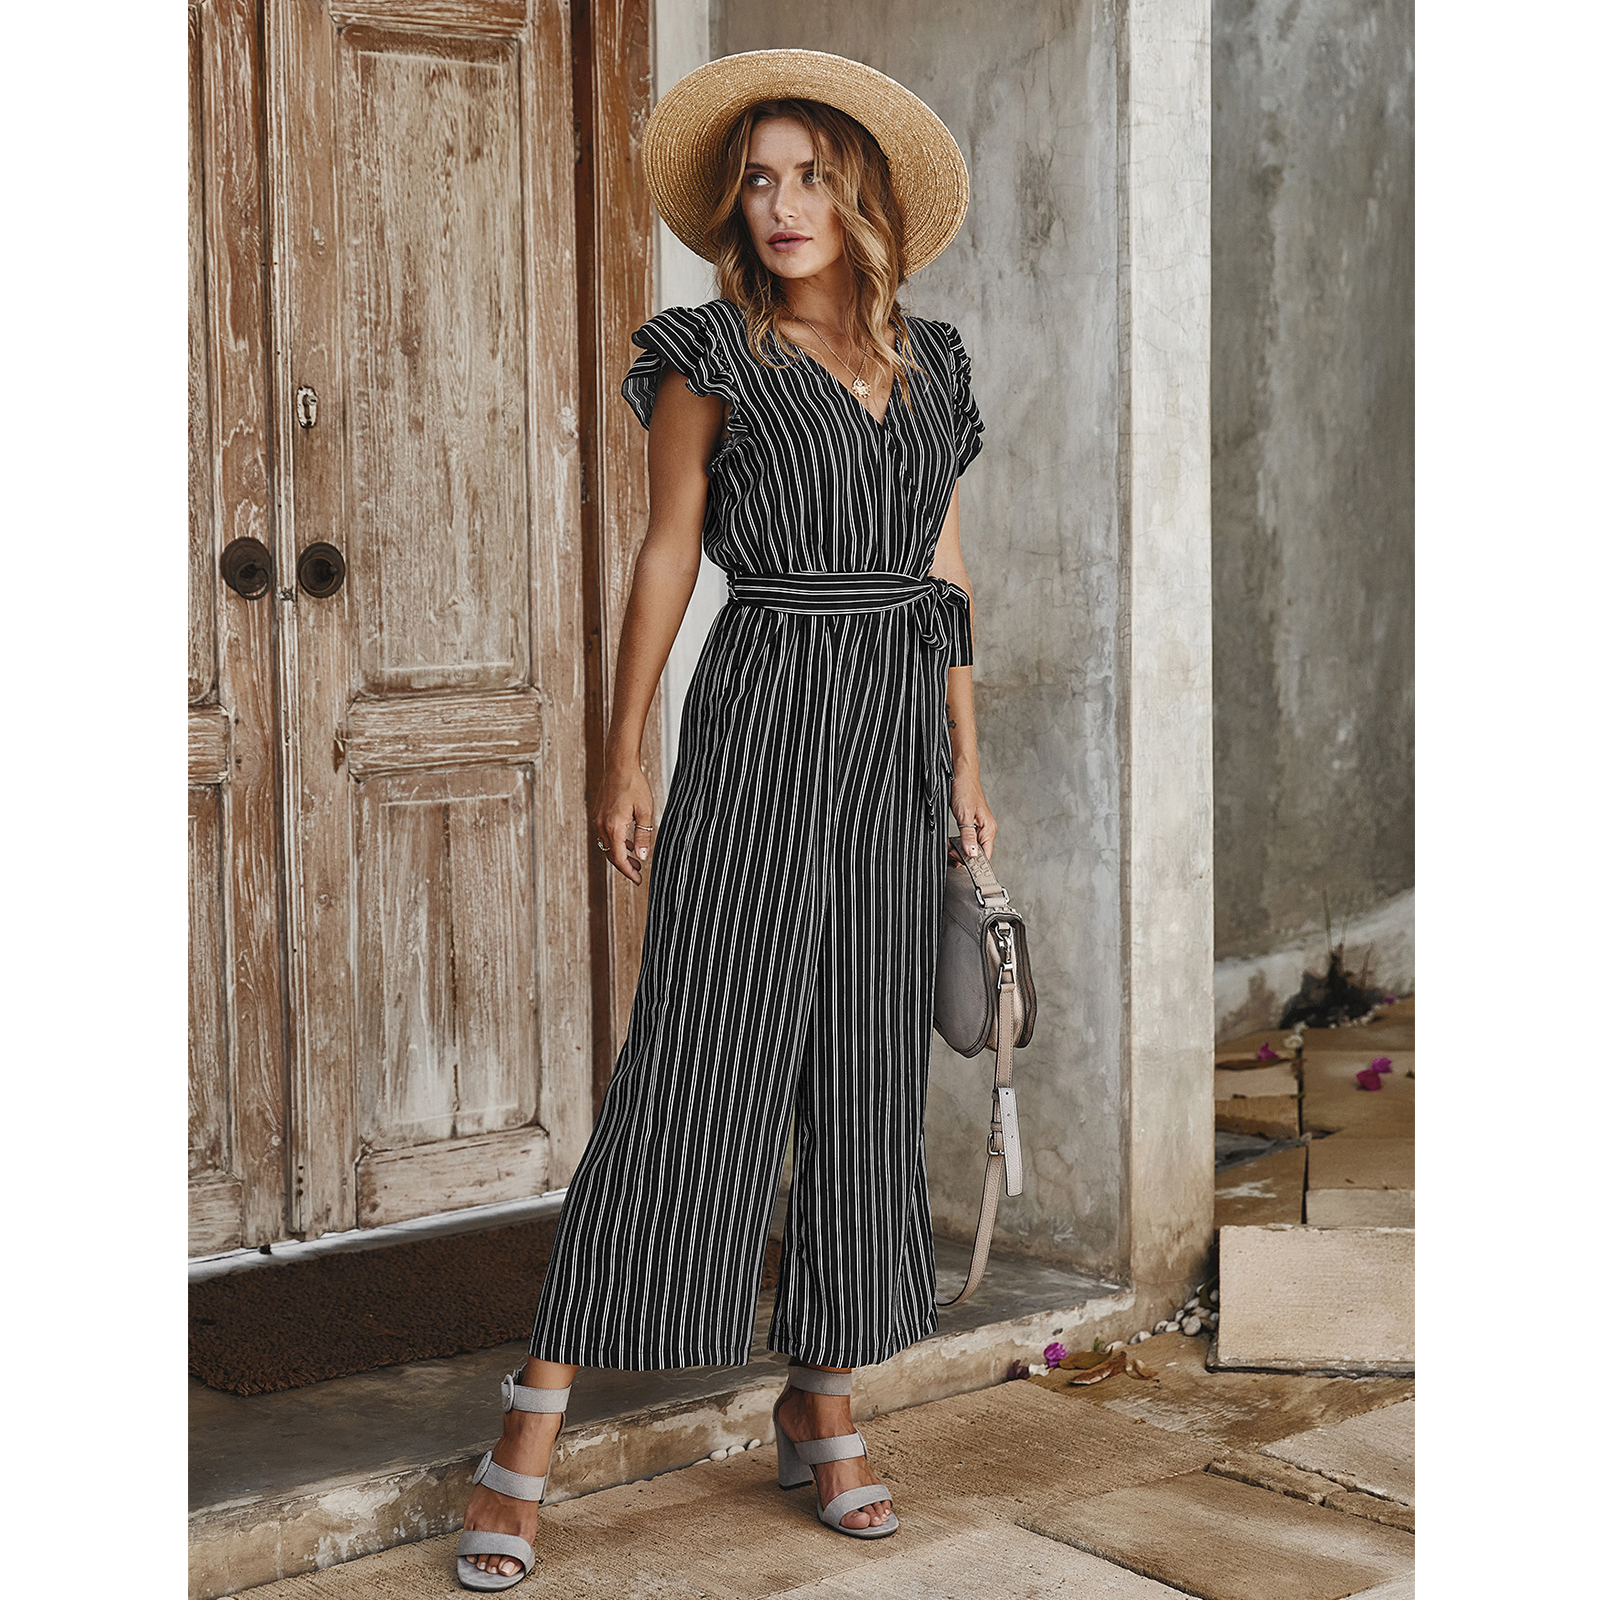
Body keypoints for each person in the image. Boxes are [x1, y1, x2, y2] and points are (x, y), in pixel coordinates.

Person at [457, 48, 993, 1590]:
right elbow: (667, 552)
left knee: (867, 1068)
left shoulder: (937, 363)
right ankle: (532, 1418)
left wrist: (968, 764)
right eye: (758, 180)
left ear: (863, 197)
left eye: (811, 176)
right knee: (697, 1062)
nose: (781, 204)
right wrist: (622, 750)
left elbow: (944, 573)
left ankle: (822, 1399)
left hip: (895, 739)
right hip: (761, 722)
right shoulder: (706, 352)